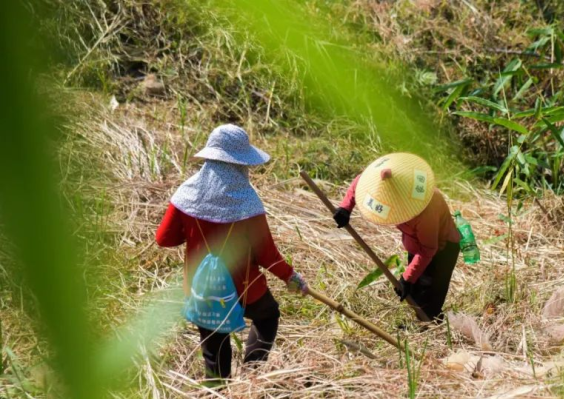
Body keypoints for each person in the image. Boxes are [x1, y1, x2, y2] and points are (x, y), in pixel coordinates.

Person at [156, 124, 308, 381]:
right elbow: (267, 256)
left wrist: (193, 229)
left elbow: (164, 239)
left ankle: (217, 394)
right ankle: (252, 374)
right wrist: (291, 278)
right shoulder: (248, 203)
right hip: (245, 288)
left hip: (202, 289)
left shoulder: (186, 195)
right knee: (267, 315)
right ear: (241, 164)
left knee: (214, 352)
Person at [333, 153, 461, 322]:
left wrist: (407, 278)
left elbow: (429, 248)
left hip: (442, 249)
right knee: (415, 292)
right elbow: (361, 181)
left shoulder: (425, 210)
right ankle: (421, 321)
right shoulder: (383, 177)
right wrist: (345, 208)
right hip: (416, 244)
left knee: (429, 295)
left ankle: (430, 326)